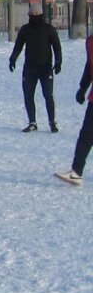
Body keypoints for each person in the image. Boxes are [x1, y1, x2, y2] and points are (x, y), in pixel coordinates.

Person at [9, 2, 62, 132]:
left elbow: (56, 46)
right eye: (31, 15)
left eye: (36, 14)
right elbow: (18, 46)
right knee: (28, 95)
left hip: (46, 68)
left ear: (41, 15)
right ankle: (32, 122)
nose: (33, 16)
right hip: (30, 69)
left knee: (48, 96)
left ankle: (52, 122)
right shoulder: (25, 29)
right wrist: (13, 58)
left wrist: (58, 61)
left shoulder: (49, 29)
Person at [55, 32, 93, 186]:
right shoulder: (90, 41)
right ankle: (76, 172)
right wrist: (82, 88)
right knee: (86, 135)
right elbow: (89, 66)